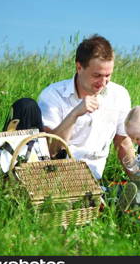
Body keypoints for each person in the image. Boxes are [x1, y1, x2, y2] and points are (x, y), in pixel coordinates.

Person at [37, 34, 133, 180]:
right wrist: (75, 114)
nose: (103, 82)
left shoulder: (119, 95)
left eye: (108, 75)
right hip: (56, 177)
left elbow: (123, 143)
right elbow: (50, 149)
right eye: (97, 75)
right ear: (79, 67)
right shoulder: (52, 95)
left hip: (94, 179)